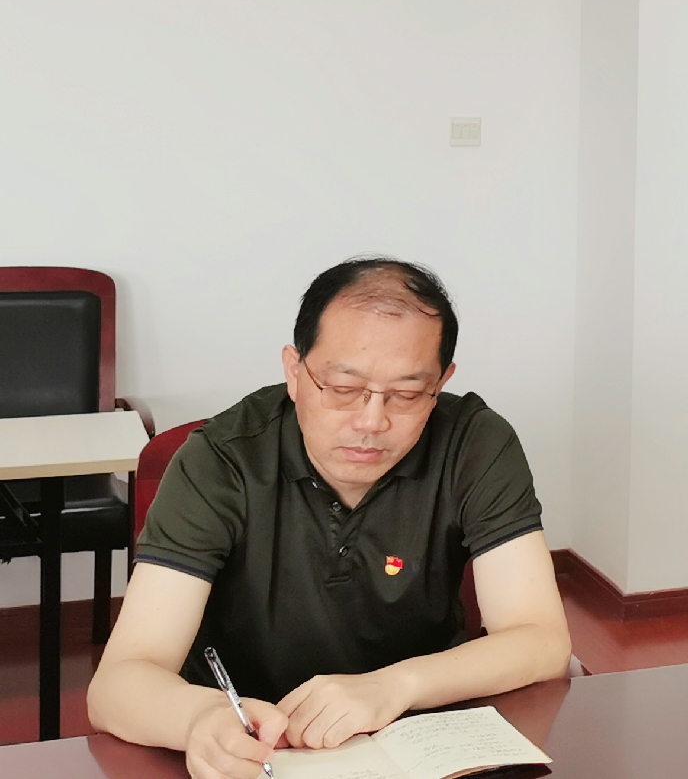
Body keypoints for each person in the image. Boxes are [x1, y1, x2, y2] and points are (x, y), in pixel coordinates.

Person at [87, 259, 572, 779]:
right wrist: (200, 720)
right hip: (256, 749)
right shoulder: (222, 461)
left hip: (417, 740)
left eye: (408, 394)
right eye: (342, 388)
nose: (372, 421)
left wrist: (394, 686)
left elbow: (542, 639)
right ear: (295, 372)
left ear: (442, 382)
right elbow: (118, 683)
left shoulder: (474, 444)